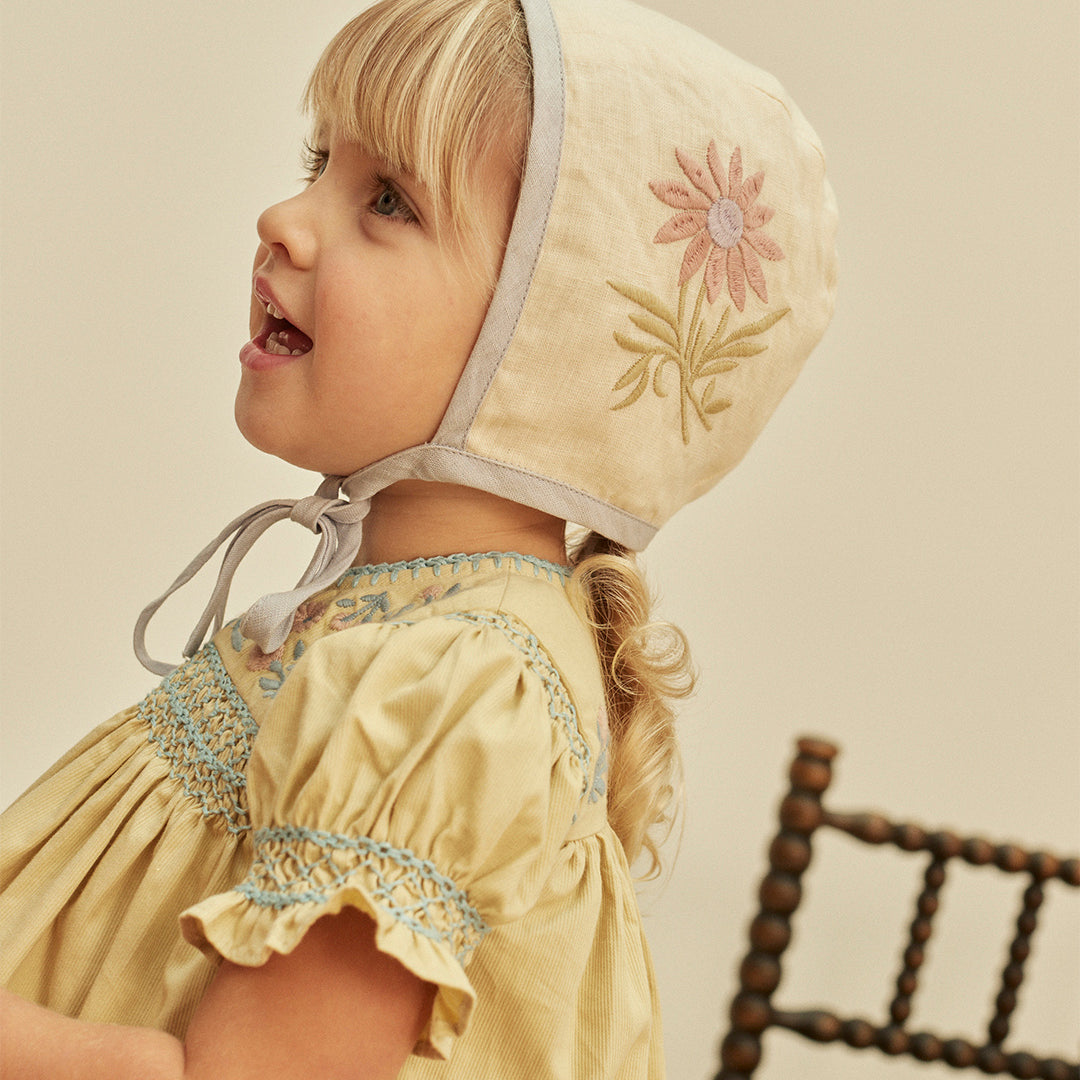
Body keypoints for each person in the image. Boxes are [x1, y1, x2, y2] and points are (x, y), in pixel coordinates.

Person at [0, 0, 837, 1076]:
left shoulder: (451, 688)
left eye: (387, 200)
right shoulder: (397, 628)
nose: (282, 218)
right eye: (319, 163)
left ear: (543, 335)